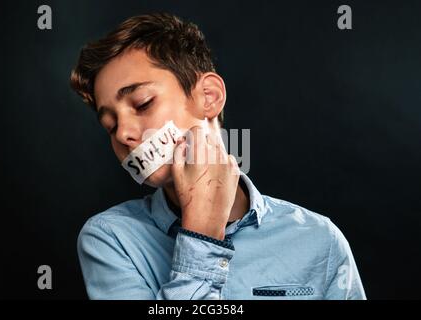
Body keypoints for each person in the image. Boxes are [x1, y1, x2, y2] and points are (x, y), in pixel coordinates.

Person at [70, 12, 366, 300]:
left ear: (208, 97)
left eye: (142, 103)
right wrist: (202, 233)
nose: (123, 134)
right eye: (110, 125)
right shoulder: (111, 239)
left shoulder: (320, 240)